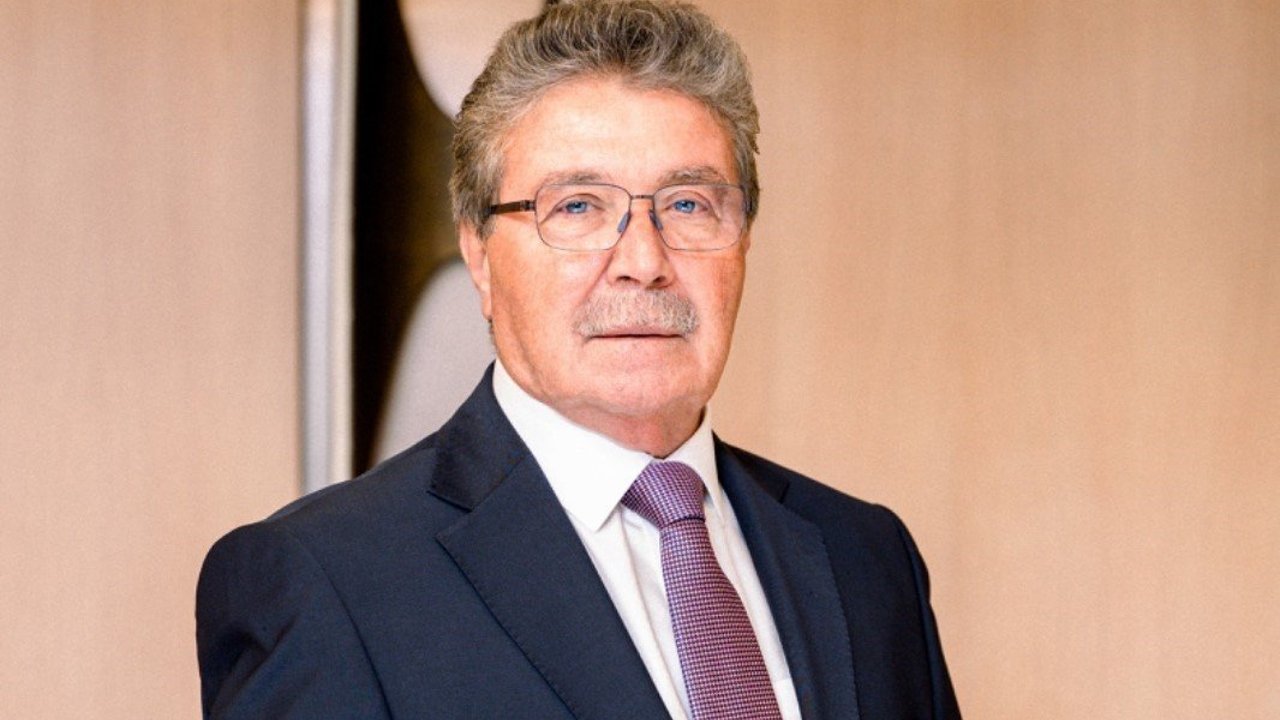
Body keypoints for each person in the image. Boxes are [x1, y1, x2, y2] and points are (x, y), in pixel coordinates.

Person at [195, 1, 961, 718]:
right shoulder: (328, 582)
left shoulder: (866, 558)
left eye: (688, 204)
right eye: (578, 207)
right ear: (480, 255)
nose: (643, 262)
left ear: (744, 241)